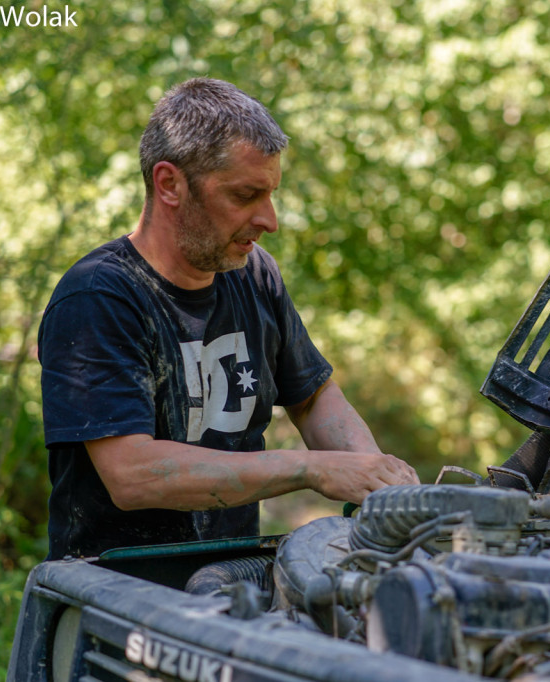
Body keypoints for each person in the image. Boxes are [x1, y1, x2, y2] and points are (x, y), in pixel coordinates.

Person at [37, 78, 419, 560]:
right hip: (115, 591)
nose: (270, 220)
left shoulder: (253, 273)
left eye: (271, 194)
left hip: (232, 579)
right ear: (170, 184)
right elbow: (131, 474)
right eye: (245, 195)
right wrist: (311, 469)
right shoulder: (98, 296)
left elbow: (312, 396)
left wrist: (377, 479)